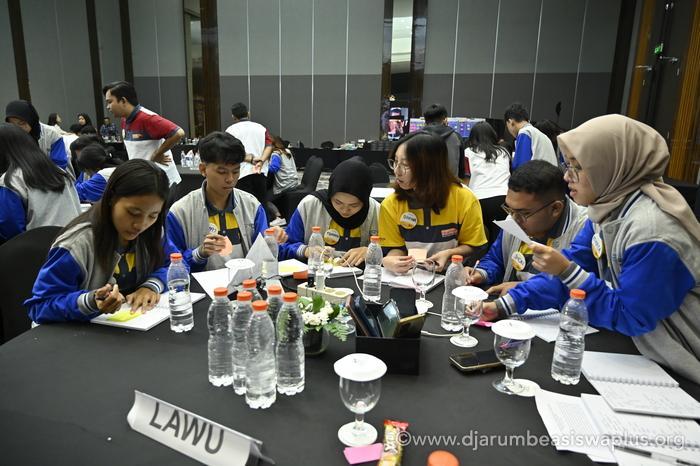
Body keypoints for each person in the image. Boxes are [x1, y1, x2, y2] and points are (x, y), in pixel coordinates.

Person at [483, 114, 700, 384]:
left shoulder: (652, 231)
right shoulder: (607, 210)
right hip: (649, 352)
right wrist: (504, 305)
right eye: (568, 165)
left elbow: (630, 315)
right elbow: (572, 263)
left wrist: (567, 271)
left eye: (578, 167)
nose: (567, 176)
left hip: (683, 365)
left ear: (611, 167)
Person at [26, 159, 177, 323]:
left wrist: (151, 285)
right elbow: (40, 306)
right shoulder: (76, 245)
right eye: (133, 213)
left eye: (153, 216)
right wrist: (90, 301)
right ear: (111, 197)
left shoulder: (152, 232)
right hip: (76, 332)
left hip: (127, 326)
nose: (141, 224)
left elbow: (176, 264)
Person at [167, 131, 285, 272]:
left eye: (235, 171)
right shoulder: (181, 212)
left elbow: (263, 255)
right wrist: (199, 254)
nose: (230, 179)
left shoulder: (252, 206)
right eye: (222, 172)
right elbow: (171, 265)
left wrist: (272, 239)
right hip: (201, 285)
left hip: (245, 283)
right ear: (203, 169)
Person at [467, 160, 587, 296]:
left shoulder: (583, 230)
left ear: (555, 208)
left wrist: (525, 289)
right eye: (510, 209)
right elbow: (496, 259)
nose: (514, 219)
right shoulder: (514, 219)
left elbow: (583, 287)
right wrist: (481, 273)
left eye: (524, 213)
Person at [379, 131, 487, 273]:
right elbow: (396, 247)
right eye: (395, 161)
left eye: (405, 164)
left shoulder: (464, 199)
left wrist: (449, 254)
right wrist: (391, 259)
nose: (397, 171)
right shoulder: (391, 204)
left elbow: (474, 245)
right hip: (409, 277)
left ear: (429, 167)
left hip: (451, 276)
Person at [280, 158, 380, 266]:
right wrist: (306, 250)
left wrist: (371, 251)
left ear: (365, 200)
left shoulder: (376, 211)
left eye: (354, 205)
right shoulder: (310, 206)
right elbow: (283, 247)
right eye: (338, 202)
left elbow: (390, 251)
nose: (345, 210)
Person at [0, 123, 80, 243]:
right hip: (75, 243)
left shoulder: (11, 180)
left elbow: (10, 230)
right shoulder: (59, 171)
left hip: (38, 249)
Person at [103, 80, 183, 186]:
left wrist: (157, 154)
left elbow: (179, 133)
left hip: (163, 182)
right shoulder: (124, 120)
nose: (108, 107)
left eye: (110, 102)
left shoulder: (147, 118)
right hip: (145, 180)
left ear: (123, 100)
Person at [463, 121, 511, 243]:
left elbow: (466, 178)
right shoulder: (503, 152)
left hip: (479, 200)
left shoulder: (468, 152)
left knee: (480, 239)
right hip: (503, 199)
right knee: (499, 240)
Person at [5, 100, 69, 170]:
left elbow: (60, 165)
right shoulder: (11, 136)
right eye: (12, 125)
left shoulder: (52, 134)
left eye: (21, 123)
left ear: (31, 120)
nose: (17, 128)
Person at [225, 102, 273, 179]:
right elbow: (269, 146)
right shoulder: (261, 128)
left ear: (233, 116)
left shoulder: (230, 131)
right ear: (248, 113)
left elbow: (229, 151)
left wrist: (250, 159)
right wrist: (261, 161)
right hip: (260, 172)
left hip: (240, 174)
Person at [504, 103, 557, 169]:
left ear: (510, 122)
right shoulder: (540, 135)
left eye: (507, 126)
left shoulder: (525, 132)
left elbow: (521, 166)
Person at [422, 103, 465, 178]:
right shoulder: (456, 137)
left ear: (425, 121)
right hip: (451, 183)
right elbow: (461, 170)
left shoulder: (415, 138)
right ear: (445, 119)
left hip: (423, 183)